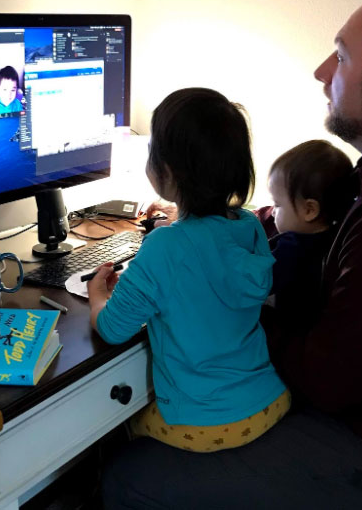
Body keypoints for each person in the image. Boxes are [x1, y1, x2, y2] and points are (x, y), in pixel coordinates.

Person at [103, 0, 362, 509]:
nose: (323, 71)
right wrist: (215, 229)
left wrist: (225, 296)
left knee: (126, 476)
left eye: (341, 56)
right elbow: (325, 229)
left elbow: (328, 381)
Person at [87, 87, 290, 454]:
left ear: (165, 171)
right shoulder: (249, 226)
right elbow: (212, 255)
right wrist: (180, 222)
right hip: (270, 399)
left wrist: (98, 295)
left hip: (206, 424)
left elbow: (113, 329)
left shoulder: (165, 246)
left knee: (115, 430)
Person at [262, 140, 355, 334]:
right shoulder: (339, 236)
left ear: (309, 210)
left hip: (286, 331)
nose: (272, 212)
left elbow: (260, 282)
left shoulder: (294, 247)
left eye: (277, 205)